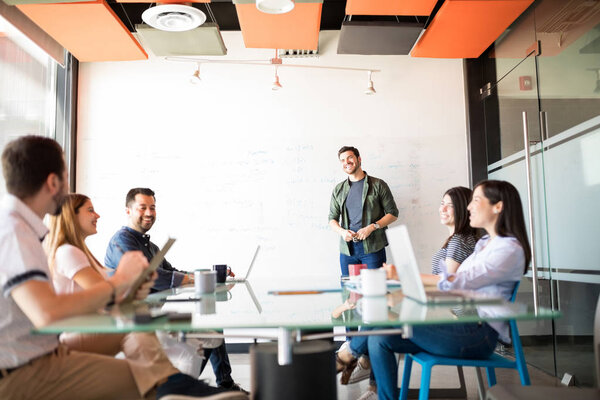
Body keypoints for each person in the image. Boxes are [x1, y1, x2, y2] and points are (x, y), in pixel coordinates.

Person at [0, 135, 246, 400]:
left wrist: (127, 286)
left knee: (143, 349)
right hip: (25, 370)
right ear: (53, 182)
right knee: (147, 377)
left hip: (43, 355)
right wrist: (118, 283)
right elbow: (47, 313)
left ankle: (177, 387)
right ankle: (177, 388)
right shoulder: (15, 232)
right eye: (66, 175)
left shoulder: (22, 229)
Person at [337, 179, 531, 400]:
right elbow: (456, 285)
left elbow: (458, 282)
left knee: (383, 324)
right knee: (380, 338)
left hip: (477, 335)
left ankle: (347, 355)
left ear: (498, 206)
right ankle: (371, 382)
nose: (469, 207)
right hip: (463, 326)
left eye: (476, 200)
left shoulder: (508, 249)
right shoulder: (484, 244)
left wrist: (403, 277)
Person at [105, 187, 246, 393]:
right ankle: (186, 389)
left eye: (152, 207)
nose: (149, 213)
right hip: (134, 321)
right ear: (128, 210)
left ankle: (219, 385)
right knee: (207, 331)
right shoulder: (122, 241)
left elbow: (173, 272)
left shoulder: (150, 246)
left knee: (212, 326)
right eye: (142, 207)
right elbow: (157, 278)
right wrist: (194, 279)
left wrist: (210, 277)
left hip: (152, 315)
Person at [329, 145, 399, 276]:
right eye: (342, 160)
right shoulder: (338, 190)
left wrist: (372, 227)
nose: (346, 162)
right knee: (349, 292)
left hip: (372, 249)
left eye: (350, 157)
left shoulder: (378, 185)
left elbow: (393, 213)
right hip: (347, 251)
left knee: (375, 290)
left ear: (359, 159)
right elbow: (332, 218)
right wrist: (343, 232)